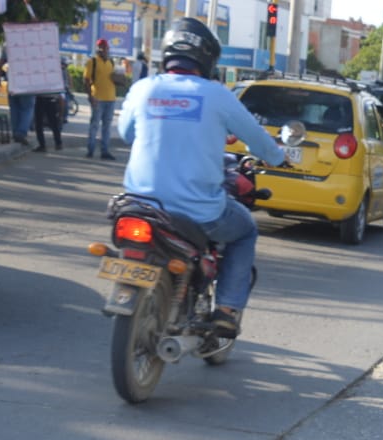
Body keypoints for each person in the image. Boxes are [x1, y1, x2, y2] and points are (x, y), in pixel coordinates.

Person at [118, 17, 285, 338]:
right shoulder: (217, 95)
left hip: (137, 205)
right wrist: (278, 157)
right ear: (207, 58)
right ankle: (225, 310)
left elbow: (126, 134)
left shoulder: (143, 88)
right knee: (246, 230)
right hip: (197, 212)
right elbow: (258, 139)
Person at [85, 38, 118, 160]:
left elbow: (115, 79)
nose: (103, 50)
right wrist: (90, 97)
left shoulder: (111, 63)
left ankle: (105, 151)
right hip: (97, 98)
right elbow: (86, 80)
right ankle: (90, 150)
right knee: (94, 125)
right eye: (101, 47)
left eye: (105, 47)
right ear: (97, 49)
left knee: (107, 127)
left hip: (111, 98)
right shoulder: (92, 62)